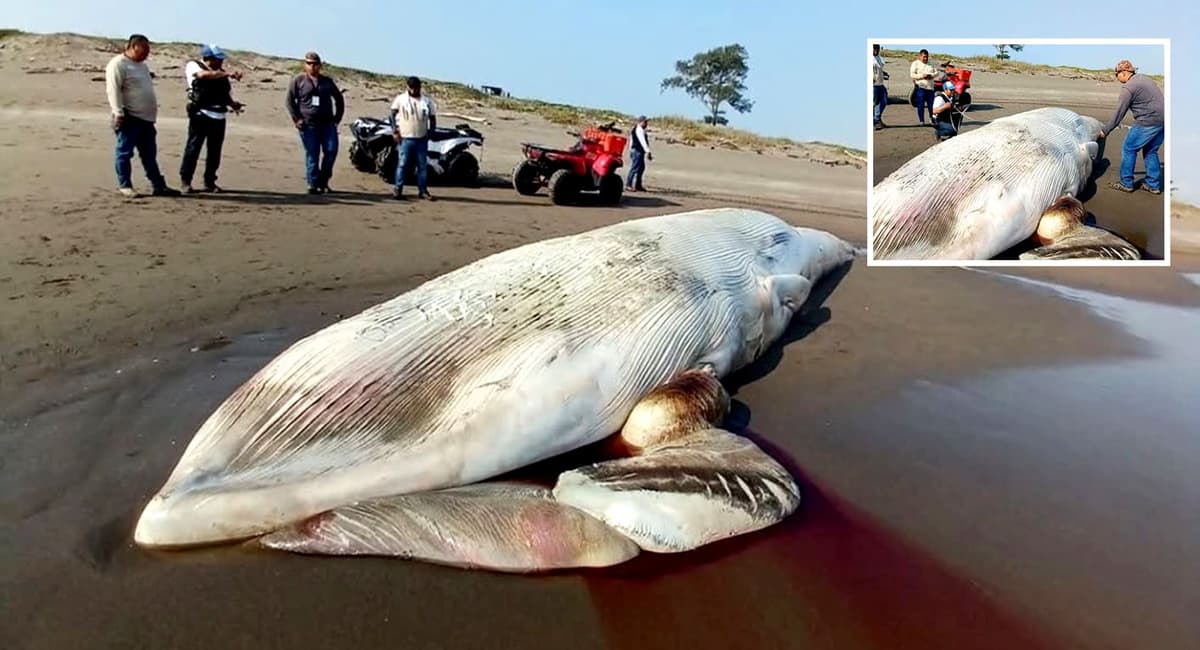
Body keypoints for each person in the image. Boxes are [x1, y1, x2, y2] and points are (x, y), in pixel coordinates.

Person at [104, 34, 180, 198]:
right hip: (129, 116)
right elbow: (113, 90)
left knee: (149, 154)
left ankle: (158, 186)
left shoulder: (142, 66)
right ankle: (125, 185)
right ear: (132, 47)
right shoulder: (118, 64)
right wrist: (118, 112)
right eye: (144, 49)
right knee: (124, 152)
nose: (147, 53)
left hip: (146, 119)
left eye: (148, 49)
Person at [179, 44, 244, 193]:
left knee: (214, 152)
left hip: (219, 116)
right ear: (208, 58)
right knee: (193, 149)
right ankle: (186, 181)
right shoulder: (194, 66)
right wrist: (227, 74)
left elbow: (225, 95)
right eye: (217, 59)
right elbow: (202, 75)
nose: (220, 63)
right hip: (200, 115)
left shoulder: (220, 73)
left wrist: (234, 104)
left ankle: (210, 181)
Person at [1099, 60, 1165, 195]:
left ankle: (1126, 183)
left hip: (1148, 121)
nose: (1116, 77)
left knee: (1129, 149)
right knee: (1151, 152)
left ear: (1123, 73)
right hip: (1163, 120)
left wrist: (1105, 131)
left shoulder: (1129, 87)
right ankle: (1153, 185)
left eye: (1116, 74)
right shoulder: (1145, 79)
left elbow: (1119, 114)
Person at [286, 51, 344, 194]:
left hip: (327, 124)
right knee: (312, 154)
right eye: (309, 63)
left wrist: (337, 119)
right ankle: (312, 183)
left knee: (331, 151)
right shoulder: (298, 80)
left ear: (320, 65)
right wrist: (297, 119)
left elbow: (339, 99)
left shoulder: (327, 82)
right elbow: (289, 101)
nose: (312, 66)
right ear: (304, 65)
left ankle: (323, 182)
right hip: (308, 124)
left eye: (315, 64)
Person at [388, 76, 437, 201]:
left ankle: (423, 190)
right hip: (405, 138)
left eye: (417, 88)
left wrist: (431, 132)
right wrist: (394, 131)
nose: (414, 91)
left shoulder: (426, 101)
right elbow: (392, 115)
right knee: (402, 164)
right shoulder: (400, 99)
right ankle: (398, 189)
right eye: (412, 88)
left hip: (421, 138)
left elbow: (432, 117)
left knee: (422, 166)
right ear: (407, 87)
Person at [909, 49, 937, 125]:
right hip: (921, 87)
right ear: (920, 56)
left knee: (931, 105)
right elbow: (912, 75)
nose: (925, 58)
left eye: (927, 57)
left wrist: (931, 75)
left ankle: (932, 119)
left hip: (930, 88)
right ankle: (921, 121)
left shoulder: (931, 63)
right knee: (920, 105)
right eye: (924, 57)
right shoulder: (915, 63)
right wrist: (922, 76)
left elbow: (936, 72)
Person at [627, 116, 652, 191]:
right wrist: (648, 151)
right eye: (645, 122)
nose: (646, 124)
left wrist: (630, 149)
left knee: (641, 168)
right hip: (637, 151)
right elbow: (642, 142)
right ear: (641, 122)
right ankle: (629, 184)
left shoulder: (638, 129)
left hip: (637, 151)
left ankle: (638, 185)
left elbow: (631, 140)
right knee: (635, 168)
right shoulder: (639, 130)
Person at [872, 44, 890, 130]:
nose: (876, 50)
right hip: (873, 85)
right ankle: (874, 121)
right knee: (873, 103)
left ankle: (877, 118)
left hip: (880, 83)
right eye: (874, 48)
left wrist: (884, 73)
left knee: (884, 101)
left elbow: (879, 69)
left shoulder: (879, 57)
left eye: (877, 49)